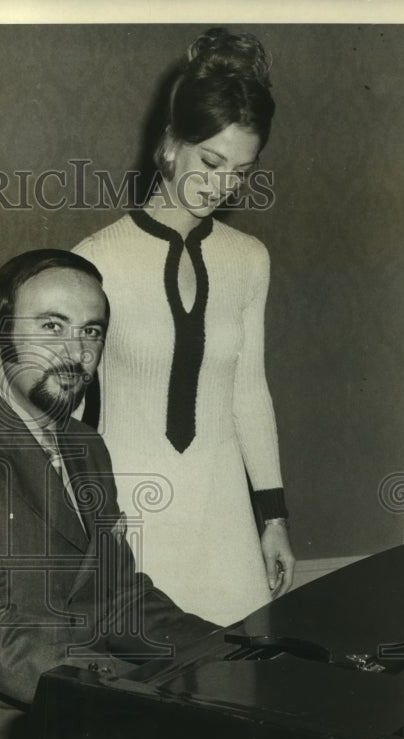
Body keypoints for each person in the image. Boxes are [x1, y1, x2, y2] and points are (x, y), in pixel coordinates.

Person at [0, 249, 220, 739]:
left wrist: (229, 658)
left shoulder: (85, 446)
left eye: (91, 332)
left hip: (75, 731)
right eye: (51, 326)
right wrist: (145, 691)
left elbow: (120, 597)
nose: (75, 352)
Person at [72, 28, 295, 625]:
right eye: (212, 161)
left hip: (222, 516)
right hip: (129, 517)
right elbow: (65, 411)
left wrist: (272, 518)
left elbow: (249, 392)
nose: (223, 185)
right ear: (171, 144)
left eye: (242, 172)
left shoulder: (249, 258)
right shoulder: (95, 260)